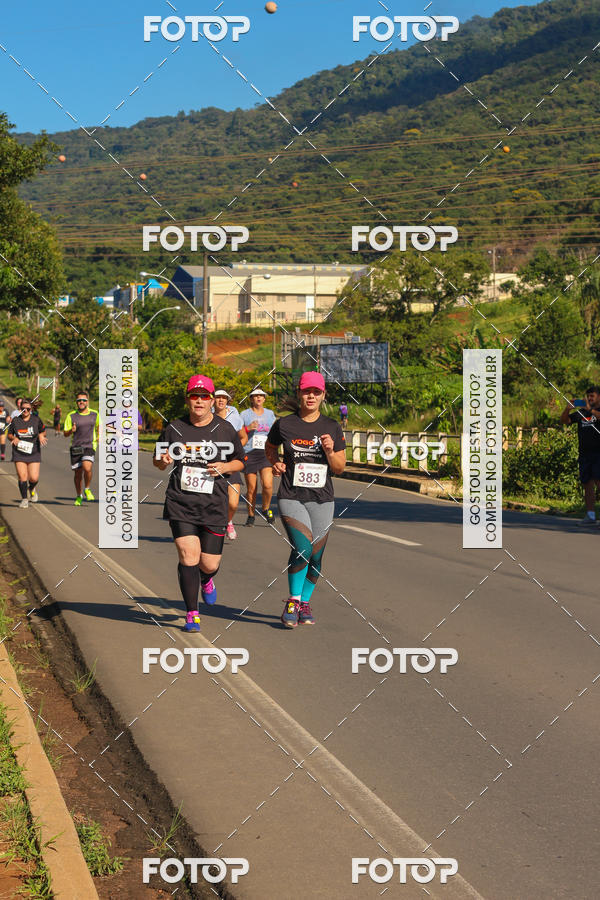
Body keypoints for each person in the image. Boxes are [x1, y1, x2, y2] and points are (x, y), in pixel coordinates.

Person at [153, 375, 245, 632]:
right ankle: (192, 613)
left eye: (205, 396)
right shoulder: (174, 428)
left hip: (214, 505)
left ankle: (206, 579)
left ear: (212, 400)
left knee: (209, 564)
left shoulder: (225, 429)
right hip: (181, 503)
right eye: (195, 396)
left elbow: (240, 461)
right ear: (188, 399)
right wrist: (163, 460)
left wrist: (225, 466)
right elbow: (157, 461)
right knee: (188, 556)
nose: (200, 401)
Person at [265, 371, 346, 627]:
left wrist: (330, 450)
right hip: (291, 496)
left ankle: (305, 602)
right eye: (306, 391)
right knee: (303, 549)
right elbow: (270, 447)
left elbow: (339, 468)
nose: (311, 396)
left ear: (323, 395)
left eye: (316, 392)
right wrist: (275, 463)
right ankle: (293, 601)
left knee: (316, 556)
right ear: (299, 393)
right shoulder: (284, 424)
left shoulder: (332, 426)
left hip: (322, 498)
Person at [561, 386, 600, 525]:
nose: (589, 398)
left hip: (598, 453)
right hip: (584, 454)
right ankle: (590, 515)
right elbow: (565, 421)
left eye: (592, 396)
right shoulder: (581, 413)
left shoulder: (596, 411)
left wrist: (591, 410)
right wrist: (567, 409)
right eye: (588, 396)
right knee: (587, 483)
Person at [214, 388, 248, 540]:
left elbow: (243, 437)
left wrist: (235, 449)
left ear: (228, 400)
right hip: (212, 463)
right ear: (212, 400)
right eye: (218, 397)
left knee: (233, 503)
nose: (221, 400)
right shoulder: (207, 416)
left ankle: (228, 522)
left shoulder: (235, 418)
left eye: (224, 397)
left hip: (231, 463)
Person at [241, 388, 276, 525]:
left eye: (261, 396)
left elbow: (275, 432)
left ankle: (266, 508)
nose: (259, 398)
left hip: (265, 452)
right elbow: (237, 433)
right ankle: (251, 515)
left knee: (267, 484)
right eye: (255, 396)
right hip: (249, 452)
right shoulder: (244, 414)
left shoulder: (270, 414)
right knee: (251, 488)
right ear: (251, 399)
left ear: (264, 399)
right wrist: (247, 428)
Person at [7, 399, 47, 508]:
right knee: (22, 476)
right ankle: (24, 499)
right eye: (23, 409)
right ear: (20, 409)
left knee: (34, 478)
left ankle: (31, 488)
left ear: (31, 409)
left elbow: (43, 431)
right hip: (19, 452)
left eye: (28, 409)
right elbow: (9, 434)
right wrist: (13, 438)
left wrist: (41, 435)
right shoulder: (15, 420)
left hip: (34, 452)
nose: (25, 411)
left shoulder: (36, 420)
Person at [63, 390, 101, 506]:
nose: (81, 402)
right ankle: (79, 495)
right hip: (76, 447)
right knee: (78, 474)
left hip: (89, 445)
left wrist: (99, 435)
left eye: (84, 400)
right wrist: (71, 430)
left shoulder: (94, 414)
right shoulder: (71, 415)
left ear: (87, 402)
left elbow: (99, 425)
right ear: (76, 402)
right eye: (79, 400)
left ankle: (87, 488)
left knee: (87, 467)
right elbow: (65, 433)